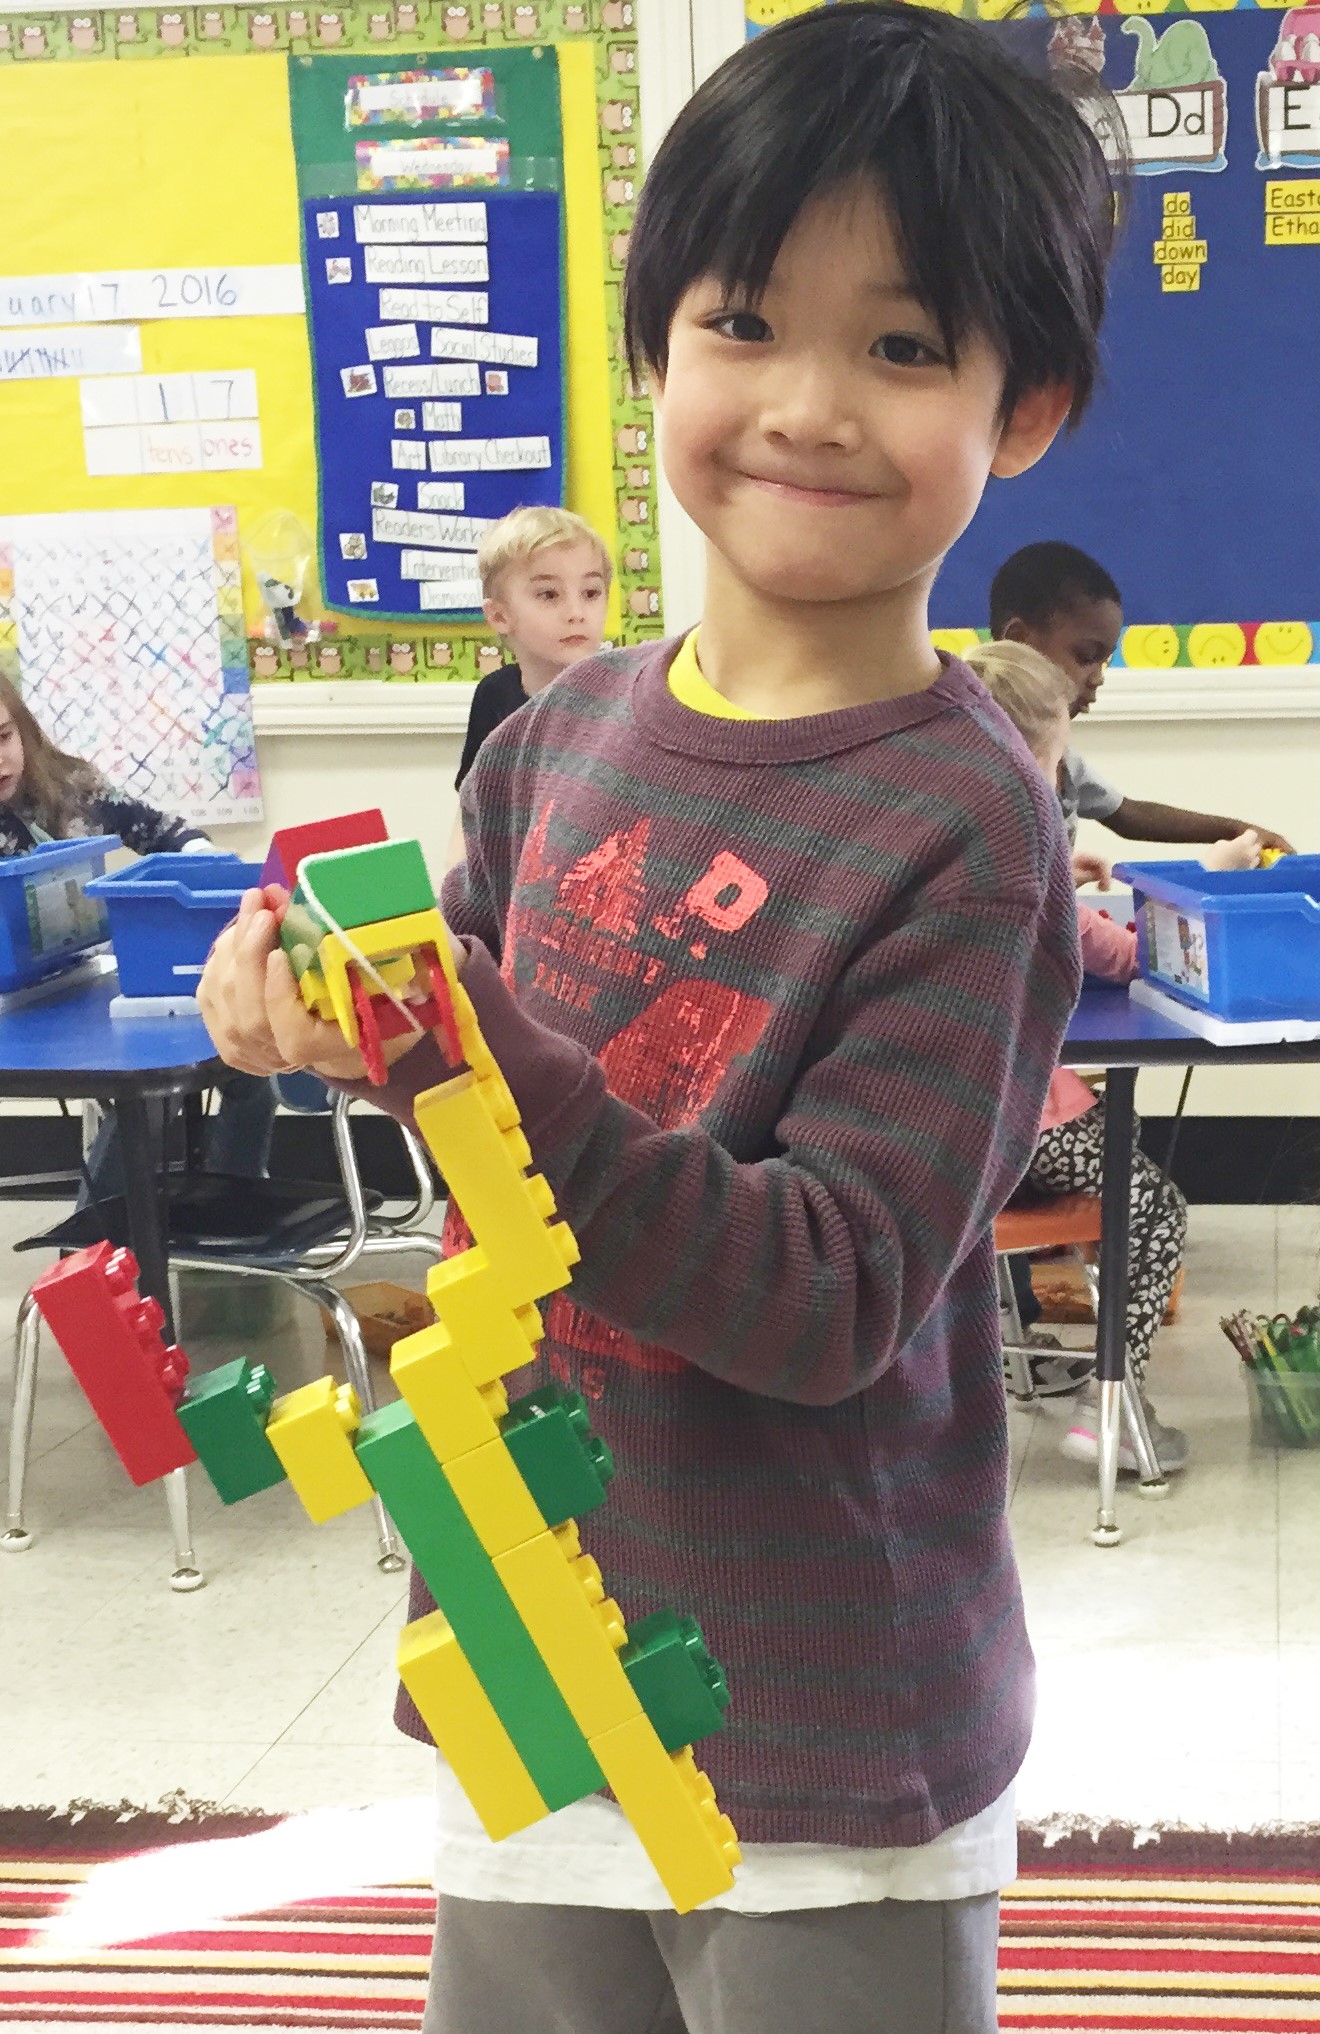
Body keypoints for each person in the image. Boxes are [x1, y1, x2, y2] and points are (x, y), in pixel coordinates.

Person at [198, 7, 1117, 2030]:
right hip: (530, 1642)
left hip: (819, 1735)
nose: (808, 405)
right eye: (743, 322)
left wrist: (479, 1049)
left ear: (1023, 406)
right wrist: (301, 988)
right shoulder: (560, 737)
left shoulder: (969, 829)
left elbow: (825, 1292)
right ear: (654, 344)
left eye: (902, 346)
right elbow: (434, 1016)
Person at [966, 638, 1259, 1472]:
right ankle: (1112, 1409)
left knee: (1119, 1166)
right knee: (1154, 1210)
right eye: (1057, 756)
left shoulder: (961, 838)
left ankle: (1049, 1371)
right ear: (1031, 757)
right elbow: (1138, 956)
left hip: (948, 1131)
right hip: (1022, 1119)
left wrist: (1066, 872)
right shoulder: (1028, 855)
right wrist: (1212, 872)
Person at [0, 673, 275, 1189]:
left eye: (3, 737)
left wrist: (206, 859)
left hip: (94, 980)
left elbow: (161, 830)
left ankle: (232, 1213)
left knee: (249, 1073)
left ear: (24, 731)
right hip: (16, 1006)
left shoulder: (73, 786)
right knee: (147, 1101)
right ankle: (102, 1234)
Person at [989, 541, 1294, 854]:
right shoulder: (977, 754)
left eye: (1104, 661)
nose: (1098, 677)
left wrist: (1236, 830)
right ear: (1018, 640)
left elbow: (1126, 814)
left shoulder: (1058, 755)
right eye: (1087, 656)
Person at [452, 505, 612, 789]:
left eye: (591, 593)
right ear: (499, 616)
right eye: (549, 594)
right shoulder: (494, 695)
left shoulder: (626, 697)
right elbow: (474, 804)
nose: (576, 613)